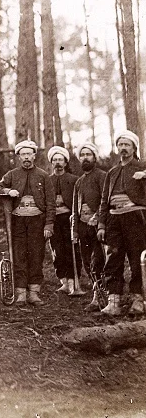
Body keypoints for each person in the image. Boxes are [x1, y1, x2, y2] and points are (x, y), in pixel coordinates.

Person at [0, 140, 55, 306]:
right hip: (17, 221)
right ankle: (20, 293)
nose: (26, 157)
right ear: (19, 157)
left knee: (36, 255)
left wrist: (49, 224)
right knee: (18, 255)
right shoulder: (12, 174)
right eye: (23, 154)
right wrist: (7, 190)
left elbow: (51, 203)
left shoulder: (43, 175)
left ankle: (34, 293)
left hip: (37, 221)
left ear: (34, 155)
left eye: (29, 154)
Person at [97, 130, 146, 316]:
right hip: (113, 219)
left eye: (127, 145)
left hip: (135, 218)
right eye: (120, 145)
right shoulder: (112, 172)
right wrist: (101, 225)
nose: (123, 148)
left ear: (134, 148)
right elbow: (103, 201)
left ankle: (138, 299)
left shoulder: (141, 166)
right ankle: (114, 301)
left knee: (137, 258)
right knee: (113, 258)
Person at [71, 142, 107, 312]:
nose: (85, 158)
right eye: (82, 155)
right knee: (86, 262)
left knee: (98, 260)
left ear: (94, 157)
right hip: (83, 226)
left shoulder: (102, 176)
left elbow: (105, 200)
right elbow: (74, 208)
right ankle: (96, 294)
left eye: (88, 155)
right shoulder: (79, 182)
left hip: (98, 225)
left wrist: (98, 218)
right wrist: (75, 230)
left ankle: (104, 295)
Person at [47, 146, 80, 295]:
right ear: (51, 163)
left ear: (66, 162)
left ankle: (74, 282)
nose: (57, 163)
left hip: (69, 218)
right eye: (55, 160)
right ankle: (64, 281)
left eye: (60, 160)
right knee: (57, 250)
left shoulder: (74, 180)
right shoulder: (47, 180)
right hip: (54, 219)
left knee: (71, 249)